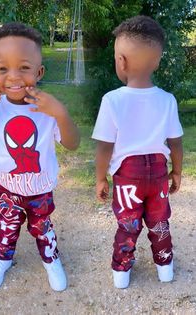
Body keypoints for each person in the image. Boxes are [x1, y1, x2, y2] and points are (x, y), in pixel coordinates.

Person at [0, 22, 80, 292]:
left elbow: (73, 144)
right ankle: (2, 258)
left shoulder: (46, 108)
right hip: (7, 189)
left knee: (43, 227)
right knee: (7, 228)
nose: (14, 77)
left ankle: (50, 258)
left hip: (40, 188)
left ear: (39, 71)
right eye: (3, 69)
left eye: (24, 67)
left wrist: (61, 113)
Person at [92, 15, 183, 289]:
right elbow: (175, 142)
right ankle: (165, 267)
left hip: (126, 177)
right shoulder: (167, 100)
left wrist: (100, 178)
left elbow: (104, 146)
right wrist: (176, 171)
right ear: (157, 61)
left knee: (128, 225)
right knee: (159, 223)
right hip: (157, 174)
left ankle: (121, 273)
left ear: (121, 61)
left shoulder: (112, 100)